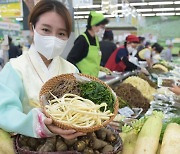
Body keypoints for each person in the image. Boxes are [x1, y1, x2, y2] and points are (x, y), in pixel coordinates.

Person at [0, 0, 85, 139]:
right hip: (26, 145)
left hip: (67, 146)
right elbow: (4, 111)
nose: (53, 39)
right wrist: (39, 124)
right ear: (32, 28)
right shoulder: (15, 68)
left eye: (61, 33)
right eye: (46, 30)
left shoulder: (72, 70)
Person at [67, 11, 109, 77]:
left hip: (93, 80)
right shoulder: (82, 40)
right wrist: (79, 74)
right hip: (82, 81)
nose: (103, 30)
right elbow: (70, 60)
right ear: (93, 26)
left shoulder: (96, 40)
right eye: (102, 27)